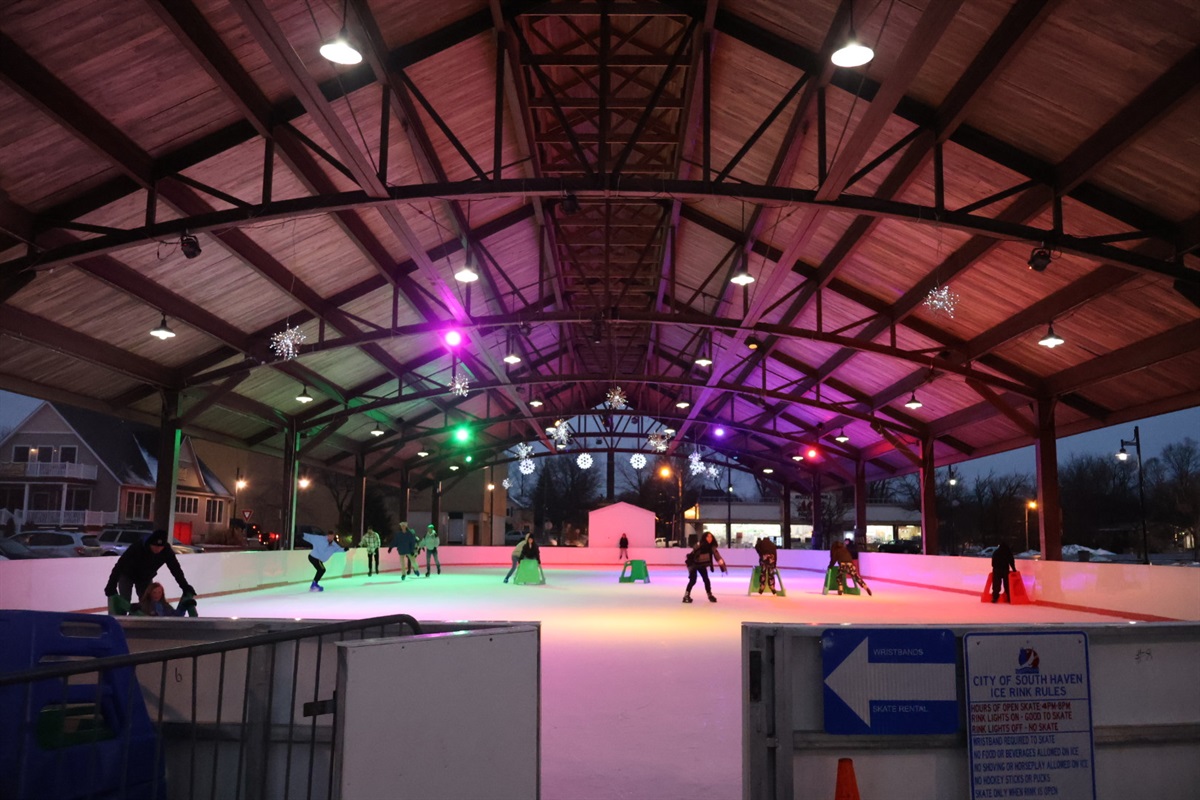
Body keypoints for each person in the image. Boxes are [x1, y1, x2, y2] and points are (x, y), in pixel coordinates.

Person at [104, 529, 196, 616]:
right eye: (155, 546)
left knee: (149, 603)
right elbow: (120, 565)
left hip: (145, 578)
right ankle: (122, 622)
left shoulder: (166, 551)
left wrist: (184, 586)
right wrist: (111, 585)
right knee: (124, 600)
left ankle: (143, 624)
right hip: (127, 575)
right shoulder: (137, 547)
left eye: (161, 547)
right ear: (150, 543)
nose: (158, 549)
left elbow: (175, 569)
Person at [683, 531, 726, 603]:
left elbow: (717, 556)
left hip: (701, 565)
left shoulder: (712, 547)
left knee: (706, 579)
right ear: (704, 538)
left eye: (711, 537)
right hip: (693, 563)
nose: (709, 538)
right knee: (693, 580)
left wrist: (722, 564)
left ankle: (710, 595)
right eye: (707, 537)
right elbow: (693, 551)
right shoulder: (700, 544)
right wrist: (698, 545)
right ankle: (686, 596)